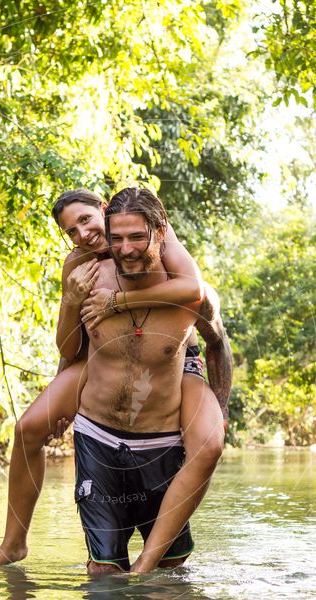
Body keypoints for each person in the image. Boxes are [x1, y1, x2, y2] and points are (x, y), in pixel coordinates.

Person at [0, 188, 231, 569]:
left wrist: (118, 302)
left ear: (104, 210)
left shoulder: (157, 238)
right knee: (29, 428)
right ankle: (13, 542)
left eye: (86, 220)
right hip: (100, 357)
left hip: (176, 358)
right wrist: (62, 388)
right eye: (71, 231)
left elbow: (194, 289)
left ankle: (149, 561)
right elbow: (70, 346)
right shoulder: (79, 264)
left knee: (208, 441)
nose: (84, 234)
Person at [74, 187, 230, 574]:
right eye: (118, 238)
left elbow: (219, 345)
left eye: (138, 237)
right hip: (99, 439)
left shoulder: (192, 297)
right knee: (104, 573)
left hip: (161, 444)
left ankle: (146, 571)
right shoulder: (92, 280)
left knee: (168, 572)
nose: (126, 249)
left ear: (161, 234)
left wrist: (220, 405)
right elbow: (69, 349)